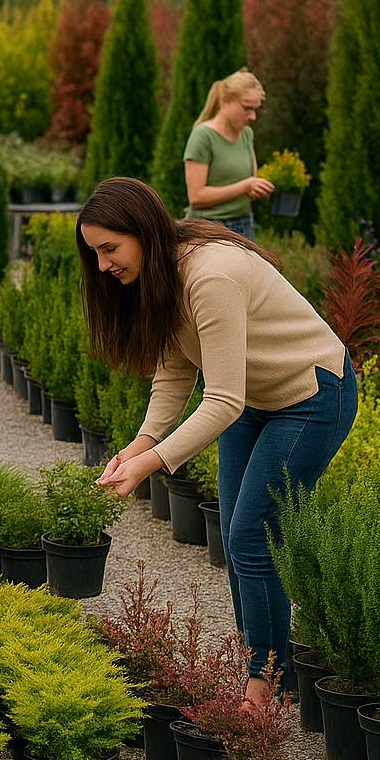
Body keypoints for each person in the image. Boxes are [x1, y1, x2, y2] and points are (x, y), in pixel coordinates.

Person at [79, 178, 355, 709]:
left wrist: (151, 466)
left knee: (253, 536)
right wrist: (138, 447)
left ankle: (263, 686)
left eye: (109, 248)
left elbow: (222, 399)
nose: (102, 266)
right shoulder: (160, 275)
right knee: (235, 536)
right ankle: (264, 667)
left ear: (142, 231)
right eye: (95, 253)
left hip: (313, 393)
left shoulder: (211, 276)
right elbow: (175, 373)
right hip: (255, 402)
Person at [182, 68, 271, 240]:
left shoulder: (246, 133)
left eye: (256, 109)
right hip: (208, 229)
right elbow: (196, 196)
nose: (253, 116)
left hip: (244, 225)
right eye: (247, 108)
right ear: (225, 102)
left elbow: (248, 181)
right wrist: (245, 186)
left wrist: (256, 189)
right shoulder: (203, 136)